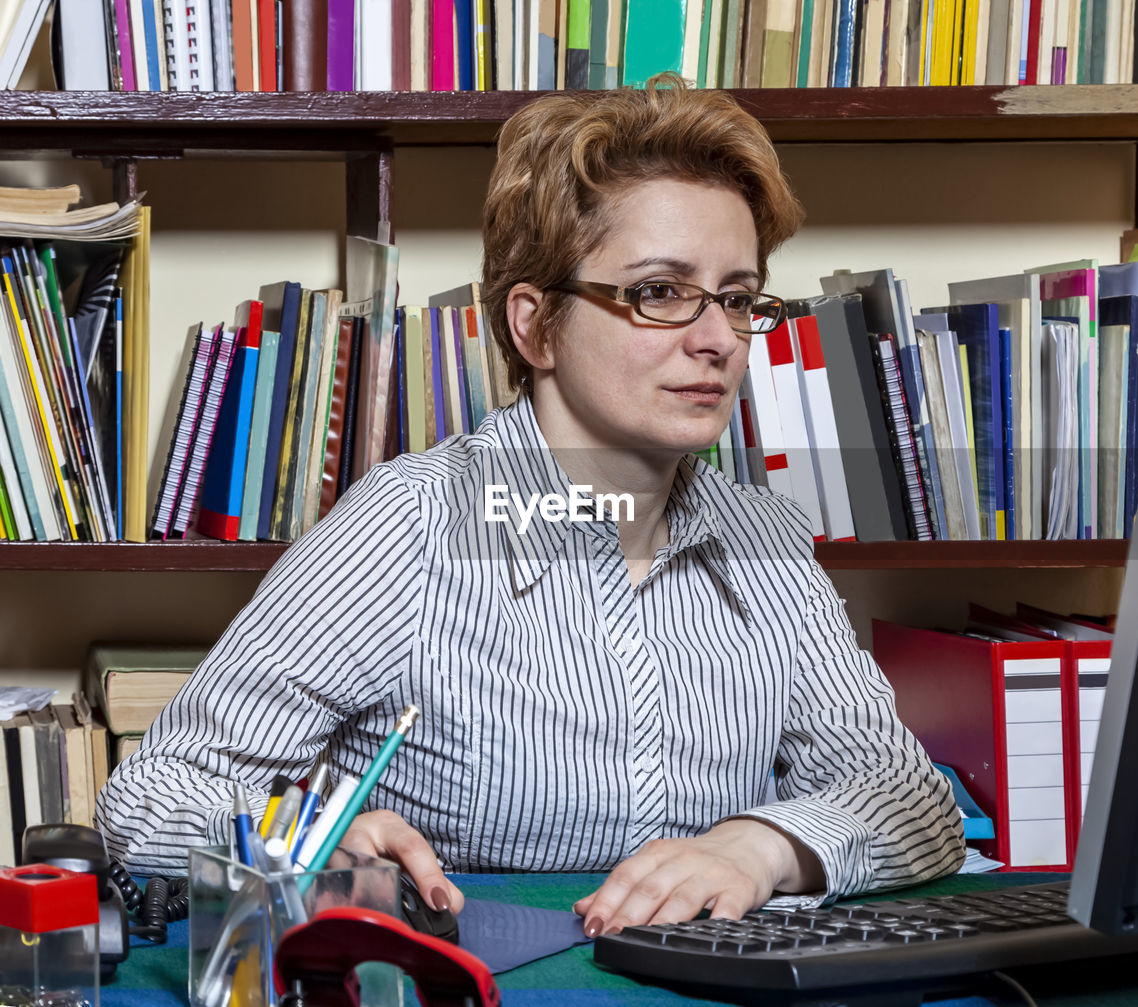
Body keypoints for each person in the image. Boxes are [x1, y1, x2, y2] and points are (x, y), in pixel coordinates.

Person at [98, 77, 964, 936]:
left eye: (736, 298)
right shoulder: (409, 525)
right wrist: (311, 838)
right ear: (535, 326)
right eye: (659, 292)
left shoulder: (764, 536)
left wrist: (763, 846)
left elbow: (913, 802)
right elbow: (150, 798)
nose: (715, 340)